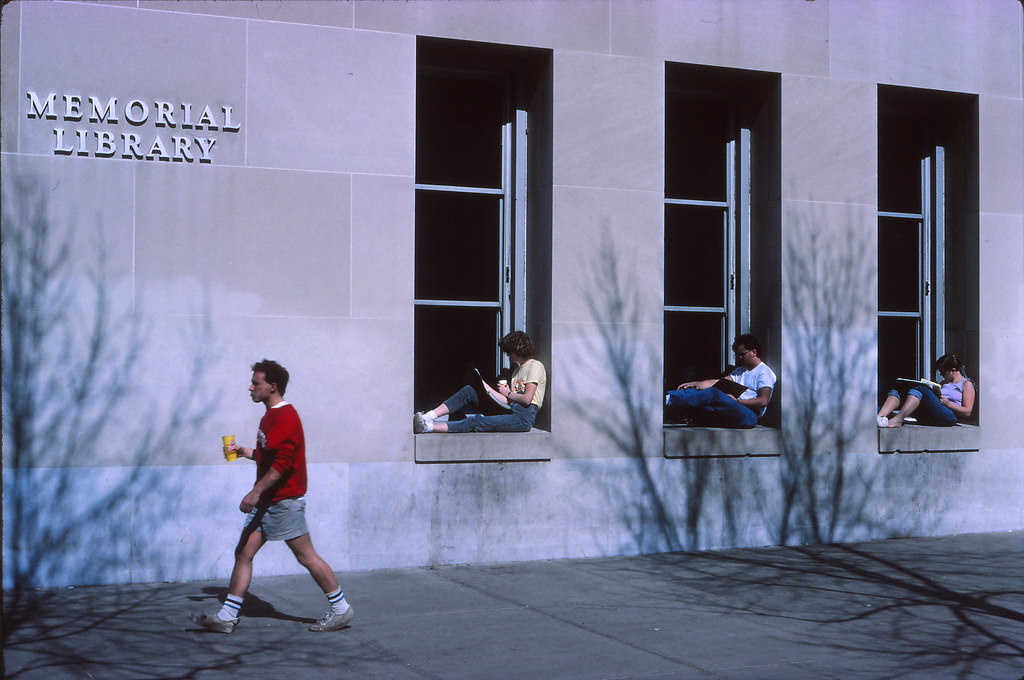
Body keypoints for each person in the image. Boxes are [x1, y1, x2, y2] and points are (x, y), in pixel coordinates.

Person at [194, 360, 353, 634]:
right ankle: (226, 617)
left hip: (283, 502)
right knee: (243, 552)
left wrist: (255, 492)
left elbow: (283, 464)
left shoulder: (285, 417)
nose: (250, 387)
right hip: (269, 501)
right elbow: (271, 456)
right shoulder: (269, 416)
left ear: (272, 386)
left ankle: (341, 609)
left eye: (256, 383)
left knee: (306, 556)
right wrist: (245, 451)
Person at [414, 331, 546, 433]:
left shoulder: (535, 366)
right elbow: (508, 401)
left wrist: (508, 393)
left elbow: (527, 399)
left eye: (509, 352)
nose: (508, 356)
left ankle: (428, 428)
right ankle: (428, 417)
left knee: (476, 421)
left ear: (518, 349)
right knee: (469, 391)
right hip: (511, 410)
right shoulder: (517, 371)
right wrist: (485, 387)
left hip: (523, 418)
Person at [664, 334, 777, 428]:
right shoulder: (740, 371)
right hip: (734, 410)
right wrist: (695, 384)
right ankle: (670, 407)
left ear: (754, 352)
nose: (739, 358)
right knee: (704, 405)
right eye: (737, 355)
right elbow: (719, 382)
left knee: (714, 394)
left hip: (749, 415)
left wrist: (737, 402)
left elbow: (763, 401)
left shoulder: (764, 372)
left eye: (742, 355)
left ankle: (669, 400)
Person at [877, 353, 975, 427]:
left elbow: (967, 412)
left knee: (921, 389)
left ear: (953, 370)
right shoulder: (943, 383)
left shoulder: (966, 384)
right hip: (935, 412)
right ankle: (880, 416)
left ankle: (898, 419)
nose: (941, 375)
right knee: (900, 388)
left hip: (950, 416)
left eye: (943, 372)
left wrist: (948, 404)